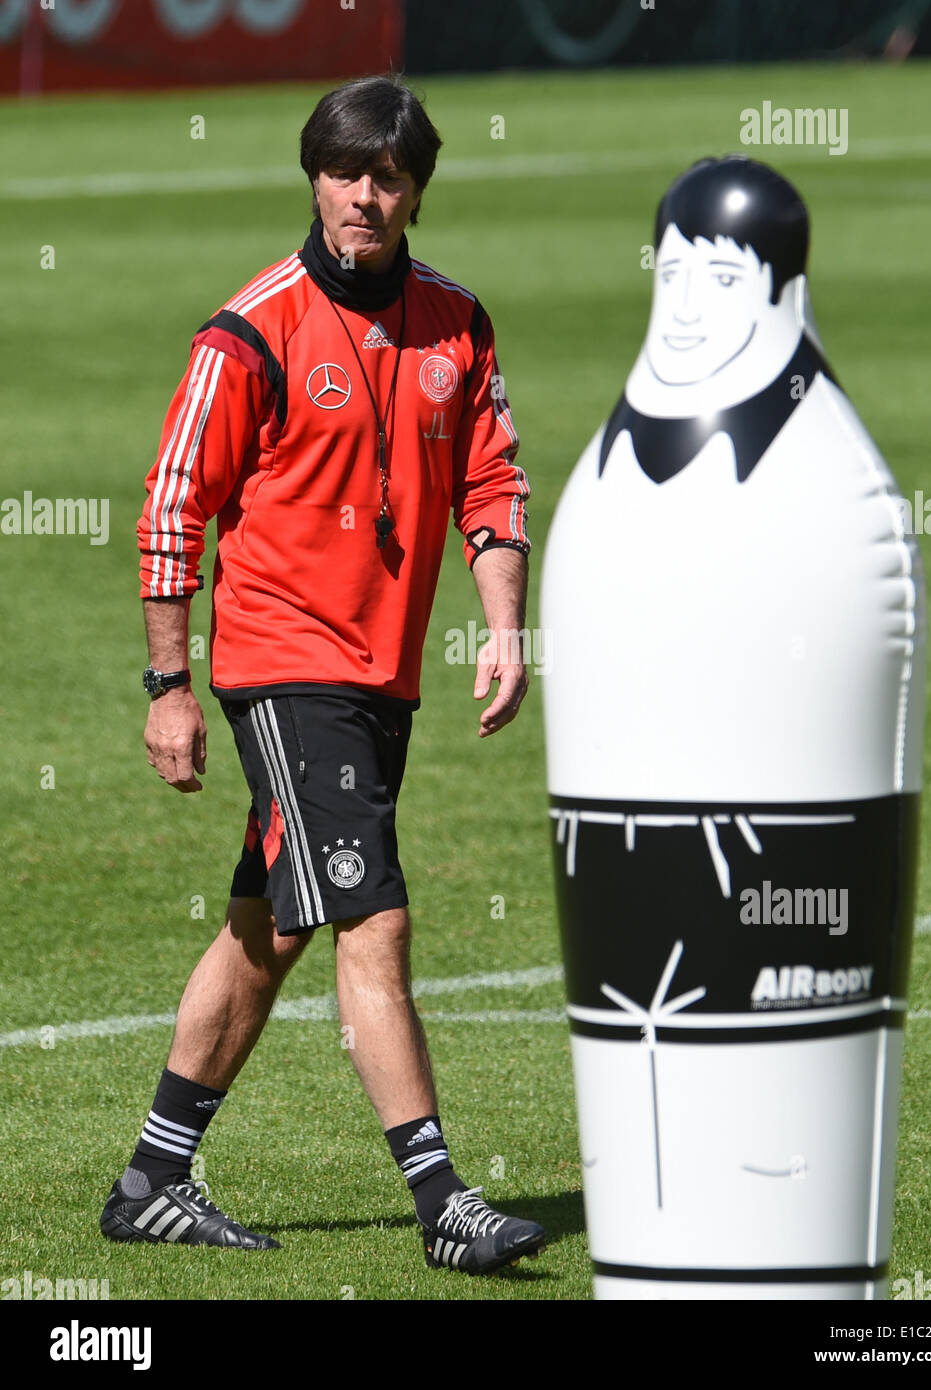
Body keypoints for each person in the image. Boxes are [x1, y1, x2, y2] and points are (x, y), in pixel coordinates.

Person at [101, 74, 544, 1277]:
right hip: (283, 661)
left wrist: (505, 628)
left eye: (388, 176)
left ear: (415, 190)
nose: (365, 194)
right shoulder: (252, 329)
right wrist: (170, 686)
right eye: (346, 171)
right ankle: (443, 1197)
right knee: (370, 909)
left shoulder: (460, 324)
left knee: (273, 922)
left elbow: (493, 486)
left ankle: (152, 1178)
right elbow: (170, 508)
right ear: (316, 176)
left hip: (382, 673)